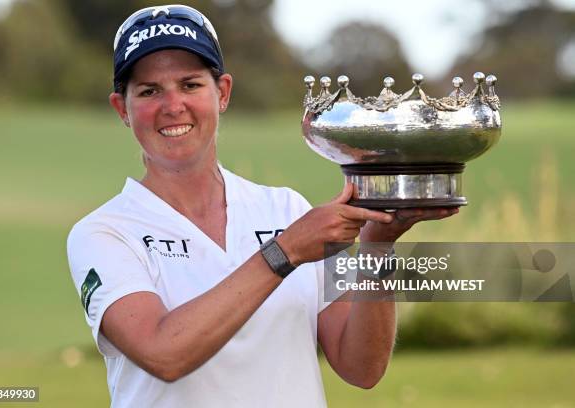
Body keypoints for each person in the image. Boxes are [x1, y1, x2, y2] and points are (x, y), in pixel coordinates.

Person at [66, 5, 458, 407]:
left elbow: (361, 367)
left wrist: (378, 244)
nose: (172, 106)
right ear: (122, 109)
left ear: (222, 93)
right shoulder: (104, 233)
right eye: (149, 91)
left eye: (190, 85)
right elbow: (164, 354)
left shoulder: (287, 208)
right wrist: (284, 252)